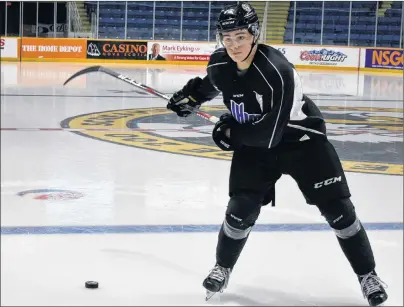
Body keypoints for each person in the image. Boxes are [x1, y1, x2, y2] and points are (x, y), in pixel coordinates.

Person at [166, 3, 388, 306]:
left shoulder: (278, 71)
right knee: (240, 211)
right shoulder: (220, 62)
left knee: (340, 213)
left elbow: (268, 135)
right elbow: (213, 82)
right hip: (256, 145)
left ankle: (368, 275)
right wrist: (190, 98)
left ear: (255, 34)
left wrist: (229, 132)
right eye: (227, 38)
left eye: (240, 37)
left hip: (302, 141)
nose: (233, 46)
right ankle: (223, 267)